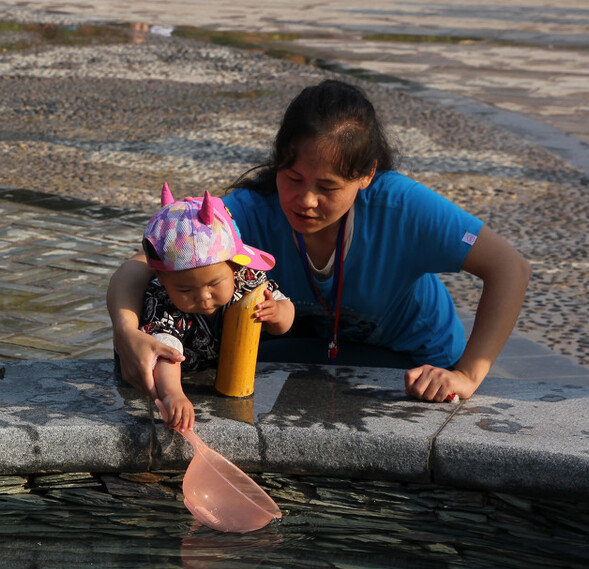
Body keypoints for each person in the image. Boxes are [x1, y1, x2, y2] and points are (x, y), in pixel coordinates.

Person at [108, 79, 530, 403]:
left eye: (327, 187)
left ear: (366, 176)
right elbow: (146, 263)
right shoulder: (253, 209)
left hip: (413, 363)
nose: (305, 201)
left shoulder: (402, 208)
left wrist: (468, 375)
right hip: (309, 346)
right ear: (278, 163)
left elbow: (510, 267)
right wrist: (128, 333)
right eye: (293, 179)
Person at [135, 184, 295, 430]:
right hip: (173, 373)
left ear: (233, 266)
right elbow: (166, 353)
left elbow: (285, 318)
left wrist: (278, 313)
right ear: (163, 280)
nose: (203, 297)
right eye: (185, 290)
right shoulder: (162, 301)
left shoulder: (247, 279)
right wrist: (173, 394)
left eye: (214, 283)